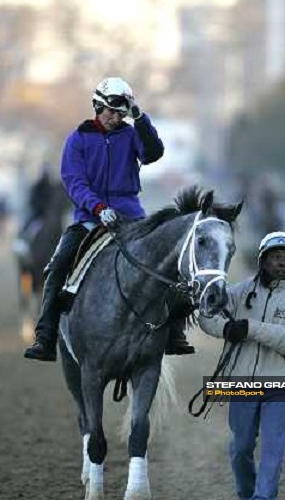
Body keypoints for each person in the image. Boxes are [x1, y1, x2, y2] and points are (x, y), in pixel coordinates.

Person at [24, 77, 195, 362]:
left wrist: (140, 118)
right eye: (111, 112)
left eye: (121, 113)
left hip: (132, 216)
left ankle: (174, 333)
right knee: (57, 266)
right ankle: (45, 337)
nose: (116, 118)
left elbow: (154, 153)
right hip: (89, 219)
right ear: (97, 106)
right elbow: (74, 183)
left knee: (169, 264)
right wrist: (98, 207)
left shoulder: (131, 134)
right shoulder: (77, 140)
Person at [199, 232, 285, 500]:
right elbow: (207, 315)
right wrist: (225, 329)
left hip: (282, 384)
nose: (281, 263)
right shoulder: (238, 293)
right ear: (263, 260)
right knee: (241, 448)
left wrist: (248, 327)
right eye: (276, 258)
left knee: (273, 449)